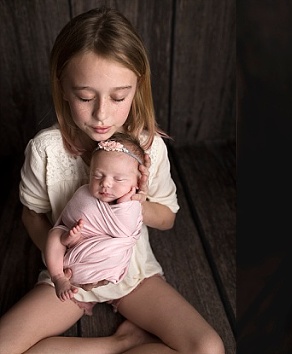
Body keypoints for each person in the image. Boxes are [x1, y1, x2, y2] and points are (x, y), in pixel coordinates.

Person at [0, 7, 224, 353]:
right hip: (71, 279)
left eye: (119, 97)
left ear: (137, 87)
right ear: (62, 87)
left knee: (208, 347)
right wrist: (62, 264)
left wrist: (139, 203)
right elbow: (32, 214)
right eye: (85, 97)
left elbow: (168, 217)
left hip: (133, 275)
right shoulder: (46, 150)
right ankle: (116, 344)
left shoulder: (149, 148)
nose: (102, 114)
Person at [45, 133, 146, 302]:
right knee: (54, 235)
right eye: (97, 176)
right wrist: (69, 238)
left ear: (138, 183)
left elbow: (125, 231)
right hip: (68, 264)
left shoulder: (132, 205)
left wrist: (126, 199)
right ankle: (57, 277)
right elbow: (67, 220)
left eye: (119, 179)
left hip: (106, 262)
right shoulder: (84, 193)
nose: (105, 183)